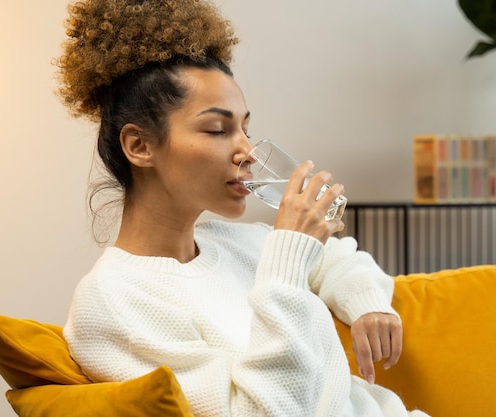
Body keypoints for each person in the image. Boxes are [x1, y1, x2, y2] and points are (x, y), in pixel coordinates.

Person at [57, 1, 429, 416]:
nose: (247, 152)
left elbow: (335, 259)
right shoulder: (112, 301)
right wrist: (287, 261)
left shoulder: (241, 243)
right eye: (218, 130)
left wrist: (366, 303)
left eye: (245, 129)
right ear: (140, 146)